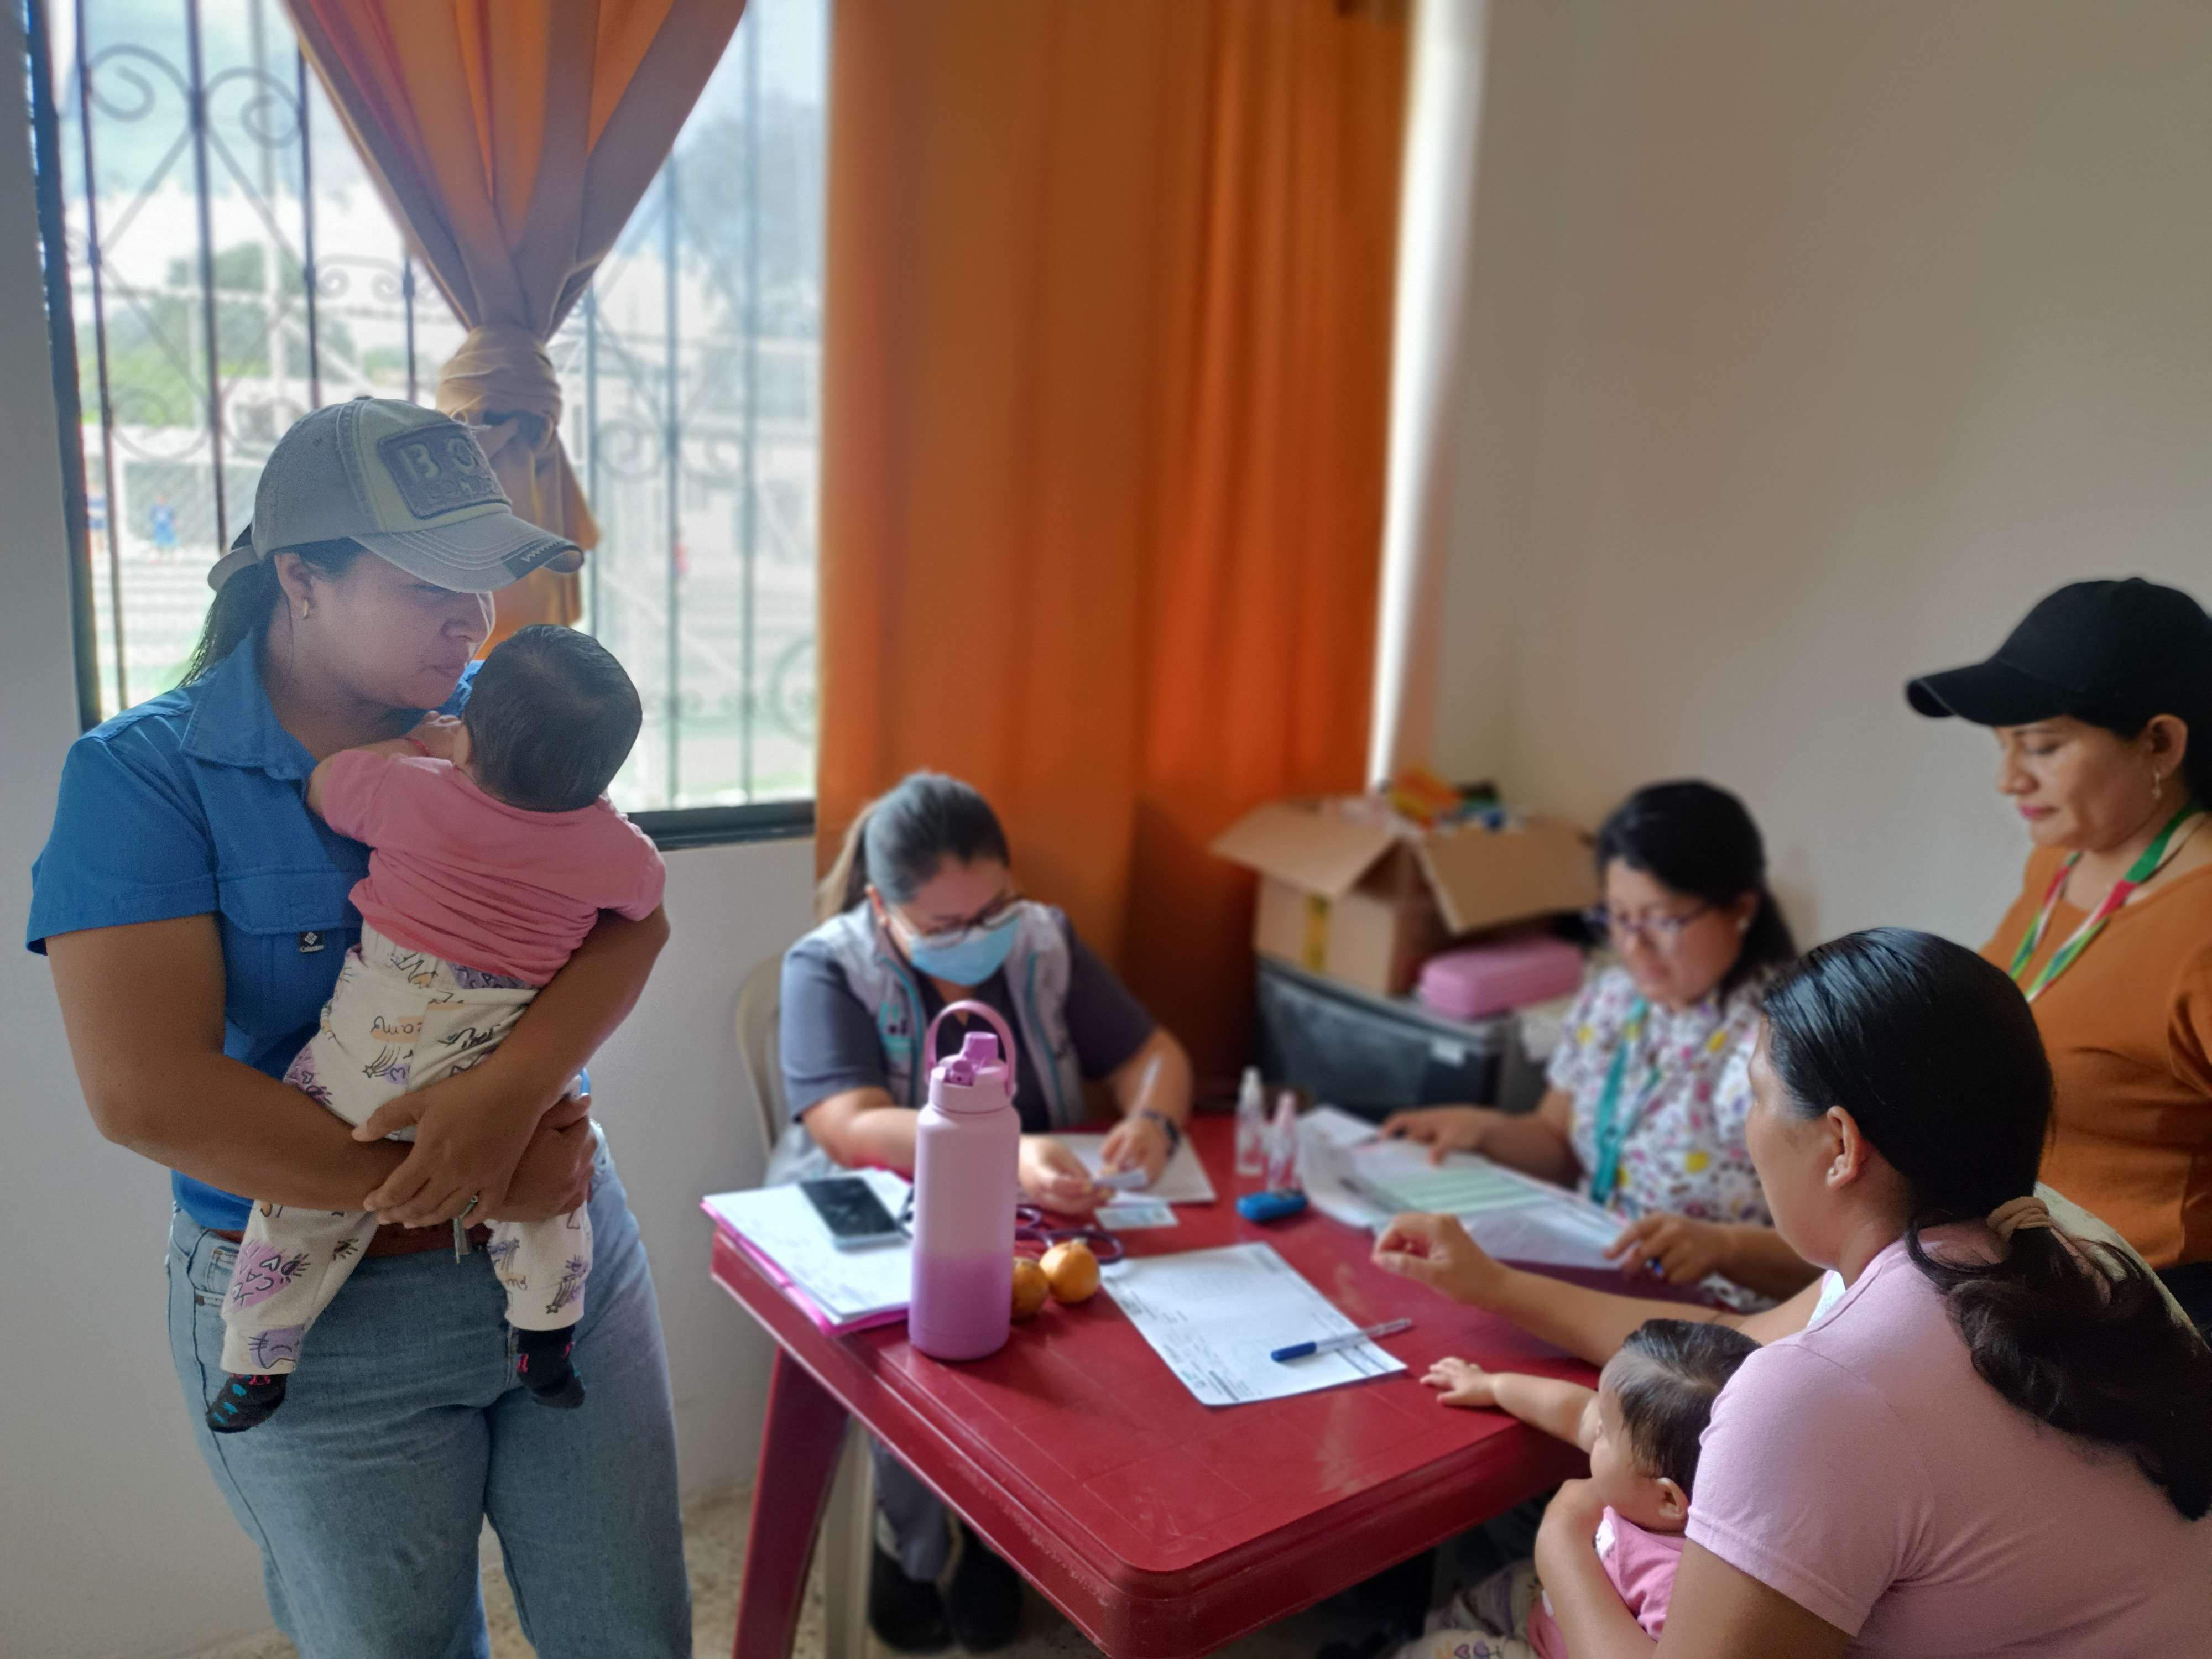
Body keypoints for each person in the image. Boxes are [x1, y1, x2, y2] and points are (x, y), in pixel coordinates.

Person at [28, 399, 690, 1656]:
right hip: (315, 1319)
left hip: (560, 1252)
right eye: (429, 584)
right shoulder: (147, 775)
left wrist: (507, 1102)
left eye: (482, 581)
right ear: (301, 578)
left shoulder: (508, 716)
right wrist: (469, 1174)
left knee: (631, 1630)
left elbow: (630, 922)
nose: (472, 619)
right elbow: (146, 1092)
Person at [1528, 930, 2212, 1656]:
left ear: (1840, 1145)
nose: (1749, 1127)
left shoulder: (1820, 1387)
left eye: (1757, 1096)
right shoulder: (2072, 1255)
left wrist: (1561, 1540)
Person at [777, 771, 1196, 1652]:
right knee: (927, 1353)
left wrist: (1153, 1123)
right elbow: (848, 1125)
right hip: (886, 1214)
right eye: (944, 925)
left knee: (1083, 1361)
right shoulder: (829, 965)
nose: (977, 939)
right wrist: (1003, 1150)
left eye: (993, 910)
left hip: (1037, 1216)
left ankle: (1006, 1539)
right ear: (880, 904)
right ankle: (909, 1545)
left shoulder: (1044, 944)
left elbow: (1155, 1054)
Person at [209, 625, 665, 1432]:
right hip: (505, 1045)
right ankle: (545, 1338)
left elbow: (326, 785)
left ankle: (256, 1361)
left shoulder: (412, 791)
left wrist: (426, 743)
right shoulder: (620, 853)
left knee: (296, 1211)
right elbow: (642, 904)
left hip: (377, 1043)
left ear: (471, 738)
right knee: (550, 1192)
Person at [1908, 577, 2212, 1331]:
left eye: (2041, 746)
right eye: (2003, 746)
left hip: (2154, 1316)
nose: (2009, 779)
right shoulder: (2061, 863)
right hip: (2033, 1274)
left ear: (2160, 742)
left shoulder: (2201, 922)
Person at [1383, 782, 1813, 1308]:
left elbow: (1842, 1262)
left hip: (1718, 1322)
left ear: (1741, 908)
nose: (1634, 945)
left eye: (1662, 920)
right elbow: (1556, 1142)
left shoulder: (1780, 1046)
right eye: (1618, 917)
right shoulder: (1614, 999)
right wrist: (1484, 1129)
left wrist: (1724, 1247)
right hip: (1597, 1284)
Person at [1403, 1320, 1757, 1659]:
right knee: (1477, 1600)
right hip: (1548, 1605)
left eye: (1604, 1431)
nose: (1593, 1427)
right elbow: (1577, 1412)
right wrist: (1492, 1386)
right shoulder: (1662, 1471)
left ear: (1667, 1498)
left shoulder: (1674, 1586)